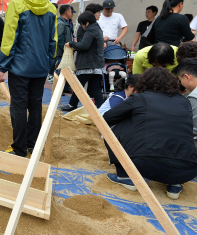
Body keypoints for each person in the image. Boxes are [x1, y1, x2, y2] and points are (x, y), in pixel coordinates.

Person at [103, 67, 197, 199]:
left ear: (143, 82)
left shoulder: (140, 98)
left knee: (118, 125)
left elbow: (107, 118)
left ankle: (124, 176)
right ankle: (174, 184)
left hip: (146, 165)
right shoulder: (184, 101)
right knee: (175, 130)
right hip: (188, 170)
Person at [0, 0, 57, 157]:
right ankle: (33, 144)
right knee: (36, 106)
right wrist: (49, 63)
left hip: (20, 68)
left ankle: (20, 148)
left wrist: (3, 66)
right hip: (40, 67)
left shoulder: (17, 2)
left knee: (19, 108)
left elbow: (9, 38)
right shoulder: (50, 6)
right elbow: (53, 41)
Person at [61, 11, 105, 112]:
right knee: (95, 87)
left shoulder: (91, 30)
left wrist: (71, 44)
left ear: (87, 22)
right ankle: (101, 108)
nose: (81, 26)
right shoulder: (97, 28)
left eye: (82, 23)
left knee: (77, 84)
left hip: (89, 64)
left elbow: (84, 46)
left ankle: (72, 105)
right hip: (96, 63)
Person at [47, 4, 74, 85]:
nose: (71, 13)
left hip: (65, 51)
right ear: (67, 12)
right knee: (61, 70)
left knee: (63, 70)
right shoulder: (61, 23)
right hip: (62, 52)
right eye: (70, 11)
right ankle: (58, 88)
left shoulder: (65, 23)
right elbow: (60, 39)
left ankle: (61, 87)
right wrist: (65, 50)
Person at [175, 58, 197, 150]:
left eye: (180, 80)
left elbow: (194, 131)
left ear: (187, 77)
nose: (181, 83)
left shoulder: (194, 97)